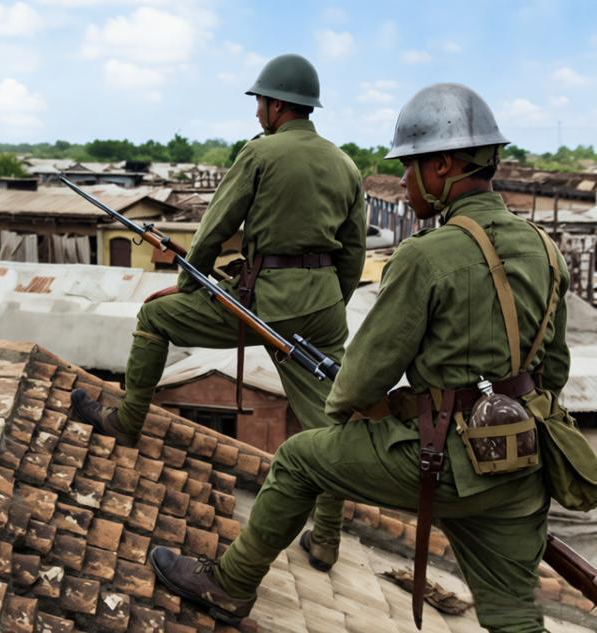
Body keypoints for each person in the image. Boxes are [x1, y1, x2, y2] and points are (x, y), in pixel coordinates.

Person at [148, 83, 578, 632]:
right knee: (515, 616)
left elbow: (361, 379)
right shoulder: (545, 248)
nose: (402, 181)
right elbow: (554, 371)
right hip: (520, 464)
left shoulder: (426, 255)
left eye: (410, 166)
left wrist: (354, 414)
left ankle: (229, 586)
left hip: (443, 461)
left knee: (301, 458)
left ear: (443, 166)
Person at [71, 53, 366, 571]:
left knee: (156, 318)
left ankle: (128, 420)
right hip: (323, 306)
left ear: (277, 105)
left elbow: (211, 229)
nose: (257, 113)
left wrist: (187, 285)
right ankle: (326, 539)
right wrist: (326, 302)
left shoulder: (261, 154)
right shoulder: (346, 165)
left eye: (260, 103)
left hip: (267, 302)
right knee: (328, 423)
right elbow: (353, 252)